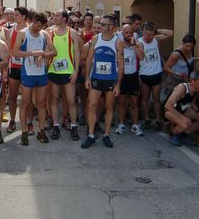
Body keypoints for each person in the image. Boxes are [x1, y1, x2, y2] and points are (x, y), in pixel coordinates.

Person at [13, 12, 56, 145]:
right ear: (35, 22)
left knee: (41, 103)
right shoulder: (23, 33)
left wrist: (43, 55)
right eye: (39, 26)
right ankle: (24, 132)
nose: (40, 29)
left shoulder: (44, 34)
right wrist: (32, 53)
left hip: (41, 72)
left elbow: (54, 52)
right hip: (27, 72)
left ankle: (41, 130)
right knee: (25, 103)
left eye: (43, 26)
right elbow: (15, 52)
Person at [81, 14, 124, 149]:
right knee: (92, 105)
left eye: (103, 24)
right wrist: (87, 77)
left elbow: (121, 64)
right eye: (100, 24)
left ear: (111, 27)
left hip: (110, 79)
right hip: (96, 78)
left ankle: (106, 135)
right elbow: (89, 59)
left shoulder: (118, 42)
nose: (100, 26)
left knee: (109, 107)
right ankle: (91, 135)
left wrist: (118, 84)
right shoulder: (95, 39)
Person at [47, 10, 81, 141]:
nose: (55, 17)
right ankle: (56, 126)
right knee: (54, 99)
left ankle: (74, 127)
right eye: (54, 15)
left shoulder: (72, 32)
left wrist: (76, 70)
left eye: (57, 15)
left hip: (68, 71)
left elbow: (76, 52)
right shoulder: (50, 32)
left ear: (65, 19)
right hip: (53, 70)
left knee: (71, 100)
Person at [138, 22, 173, 129]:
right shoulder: (139, 42)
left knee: (156, 98)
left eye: (152, 34)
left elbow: (170, 33)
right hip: (144, 73)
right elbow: (139, 57)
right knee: (145, 98)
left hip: (156, 73)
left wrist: (156, 30)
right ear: (143, 32)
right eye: (148, 35)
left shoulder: (155, 39)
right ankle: (147, 118)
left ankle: (158, 120)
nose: (150, 37)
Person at [164, 70, 199, 146]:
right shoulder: (182, 87)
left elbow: (192, 102)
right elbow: (167, 105)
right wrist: (183, 117)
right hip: (169, 111)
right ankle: (173, 134)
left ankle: (182, 136)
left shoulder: (196, 89)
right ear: (193, 81)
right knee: (187, 123)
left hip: (182, 109)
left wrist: (198, 111)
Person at [116, 23, 145, 136]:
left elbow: (142, 57)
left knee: (134, 102)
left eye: (130, 32)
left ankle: (135, 125)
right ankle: (121, 124)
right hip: (122, 76)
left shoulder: (137, 43)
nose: (128, 35)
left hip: (133, 76)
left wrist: (133, 45)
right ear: (122, 33)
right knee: (121, 102)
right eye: (126, 33)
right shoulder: (118, 43)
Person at [5, 6, 30, 133]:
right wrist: (6, 68)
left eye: (16, 15)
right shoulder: (10, 31)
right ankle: (12, 121)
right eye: (13, 15)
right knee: (12, 96)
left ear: (24, 16)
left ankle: (29, 122)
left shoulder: (29, 30)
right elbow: (9, 49)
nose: (14, 17)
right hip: (14, 66)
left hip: (27, 67)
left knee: (27, 98)